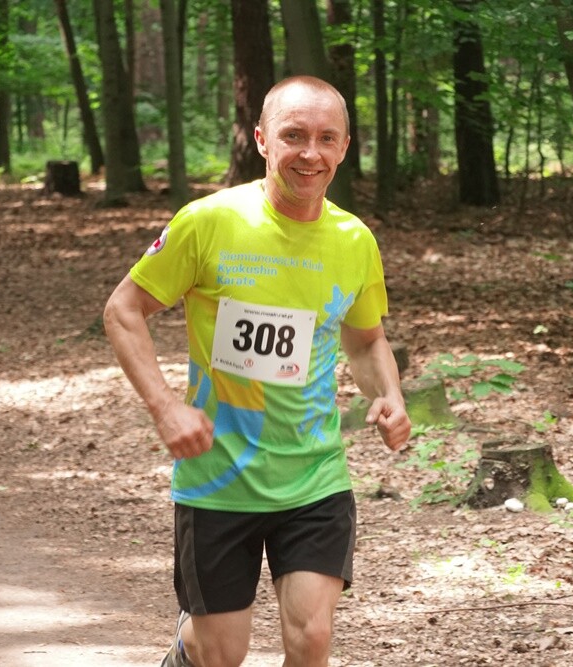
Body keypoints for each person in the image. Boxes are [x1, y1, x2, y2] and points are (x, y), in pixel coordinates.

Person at [103, 75, 411, 667]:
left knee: (311, 638)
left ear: (345, 147)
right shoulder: (209, 222)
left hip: (314, 475)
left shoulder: (354, 240)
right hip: (219, 478)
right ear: (262, 140)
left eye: (326, 138)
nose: (310, 153)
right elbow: (123, 310)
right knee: (221, 653)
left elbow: (367, 338)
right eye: (293, 135)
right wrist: (166, 407)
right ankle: (184, 651)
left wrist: (390, 396)